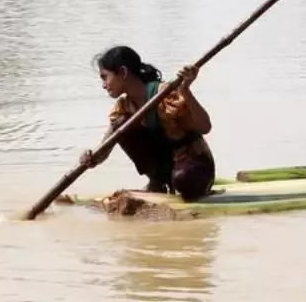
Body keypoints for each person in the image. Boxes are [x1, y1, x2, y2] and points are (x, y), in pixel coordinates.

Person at [79, 45, 216, 201]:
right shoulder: (123, 108)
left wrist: (185, 91)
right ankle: (158, 182)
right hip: (166, 167)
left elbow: (205, 127)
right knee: (121, 123)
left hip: (194, 166)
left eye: (105, 77)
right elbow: (105, 149)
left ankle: (180, 184)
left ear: (123, 72)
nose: (103, 85)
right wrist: (91, 158)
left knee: (182, 178)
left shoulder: (165, 94)